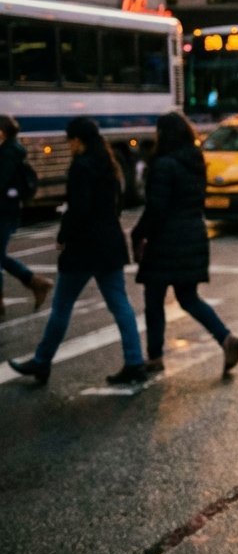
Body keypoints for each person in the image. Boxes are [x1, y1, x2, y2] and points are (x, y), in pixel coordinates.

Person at [8, 117, 147, 385]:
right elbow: (116, 204)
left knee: (62, 306)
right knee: (120, 304)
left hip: (84, 248)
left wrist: (64, 236)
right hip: (109, 244)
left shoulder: (81, 167)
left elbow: (78, 210)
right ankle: (134, 361)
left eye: (70, 139)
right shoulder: (110, 164)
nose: (68, 145)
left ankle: (42, 361)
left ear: (77, 140)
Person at [132, 112, 238, 376]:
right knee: (188, 297)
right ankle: (225, 338)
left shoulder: (163, 164)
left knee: (154, 299)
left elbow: (156, 208)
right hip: (193, 234)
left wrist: (139, 234)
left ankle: (155, 356)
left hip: (166, 240)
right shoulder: (195, 161)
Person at [0, 115, 53, 316]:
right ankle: (34, 282)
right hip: (8, 210)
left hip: (4, 211)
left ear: (1, 132)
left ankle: (34, 283)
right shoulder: (10, 151)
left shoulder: (7, 154)